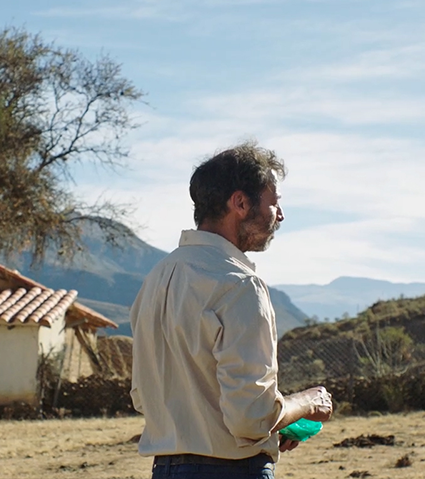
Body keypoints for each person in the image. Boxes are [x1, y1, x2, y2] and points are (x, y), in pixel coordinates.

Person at [129, 141, 333, 479]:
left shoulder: (156, 280)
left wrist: (271, 425)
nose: (280, 215)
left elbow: (145, 397)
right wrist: (309, 402)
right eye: (274, 202)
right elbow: (252, 418)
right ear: (240, 203)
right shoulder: (240, 285)